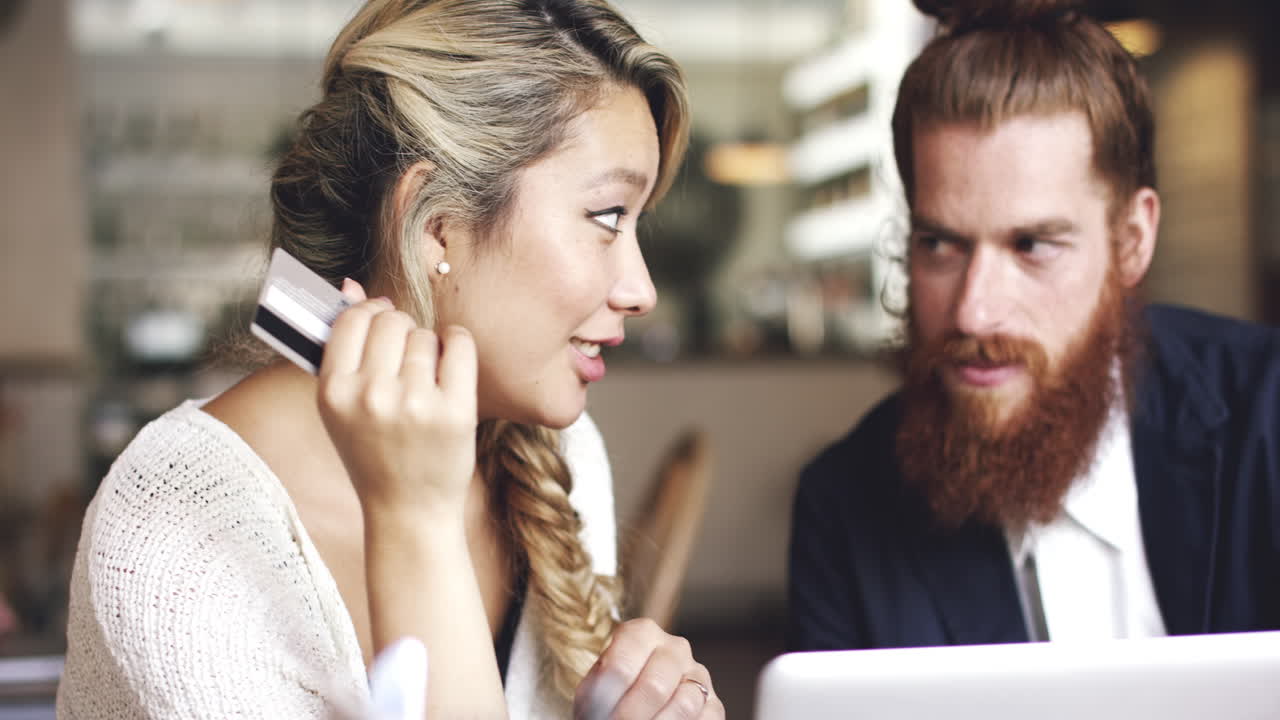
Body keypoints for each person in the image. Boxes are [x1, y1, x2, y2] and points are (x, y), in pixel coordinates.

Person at [58, 1, 725, 718]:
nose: (642, 291)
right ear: (437, 227)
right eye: (607, 217)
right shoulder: (174, 530)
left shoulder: (563, 456)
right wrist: (416, 519)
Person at [788, 0, 1280, 652]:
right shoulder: (843, 506)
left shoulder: (1268, 417)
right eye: (941, 244)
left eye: (1033, 245)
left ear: (1132, 241)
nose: (973, 311)